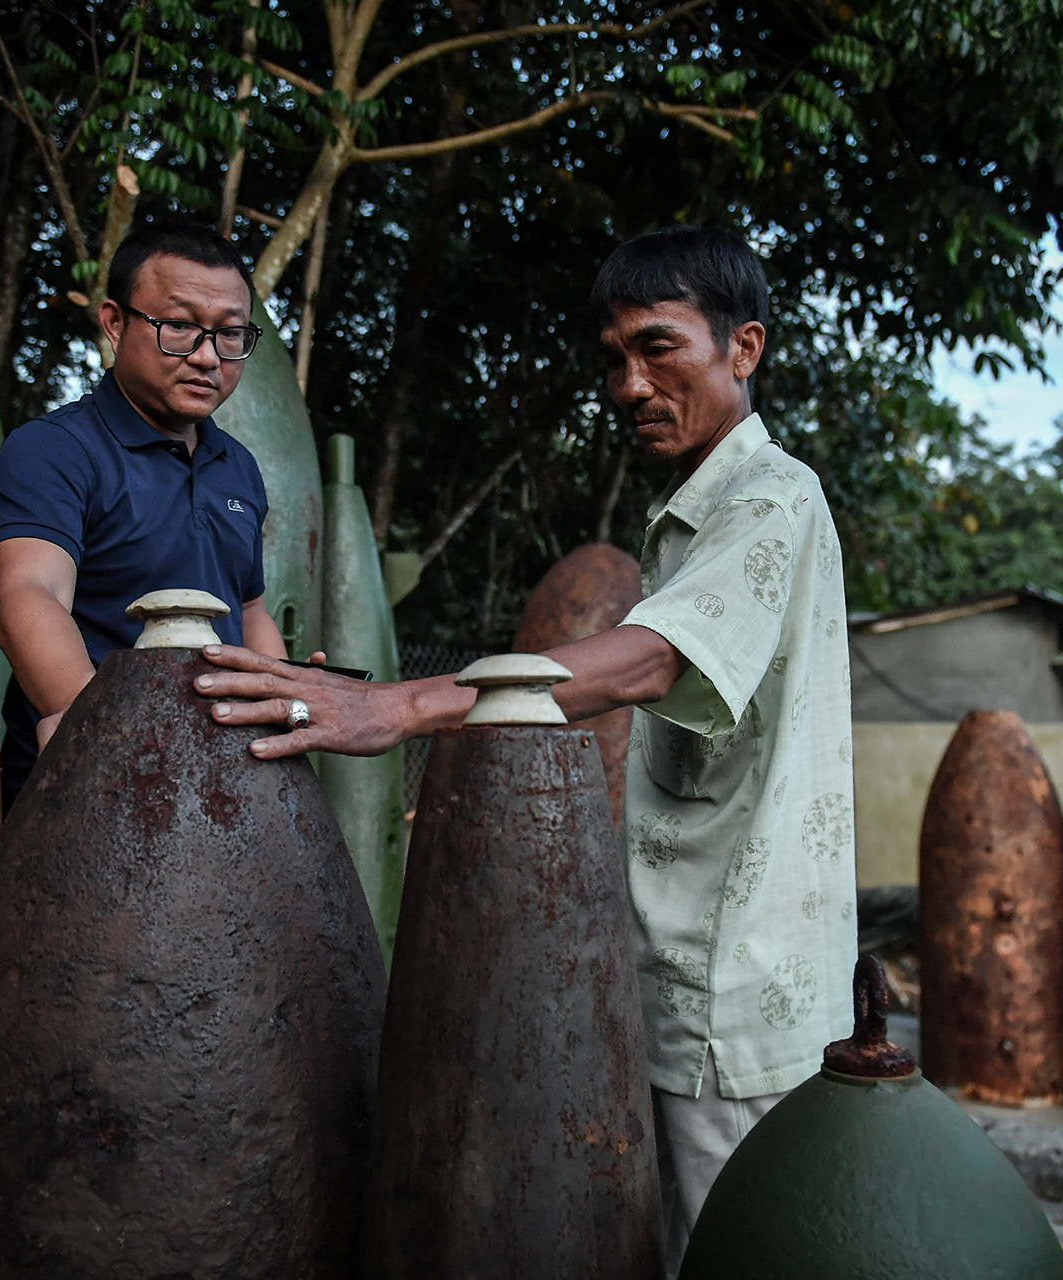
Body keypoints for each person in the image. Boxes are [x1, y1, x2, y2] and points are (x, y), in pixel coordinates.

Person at [194, 225, 856, 1274]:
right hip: (677, 980)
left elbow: (643, 665)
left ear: (745, 348)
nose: (629, 384)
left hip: (732, 997)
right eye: (612, 360)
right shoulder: (696, 512)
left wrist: (398, 709)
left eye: (659, 347)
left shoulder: (773, 497)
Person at [0, 220, 291, 810]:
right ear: (114, 322)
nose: (207, 357)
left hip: (222, 792)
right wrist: (101, 747)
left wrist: (282, 699)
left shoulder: (239, 467)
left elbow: (250, 610)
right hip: (85, 794)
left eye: (230, 335)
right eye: (179, 326)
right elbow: (30, 594)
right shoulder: (55, 450)